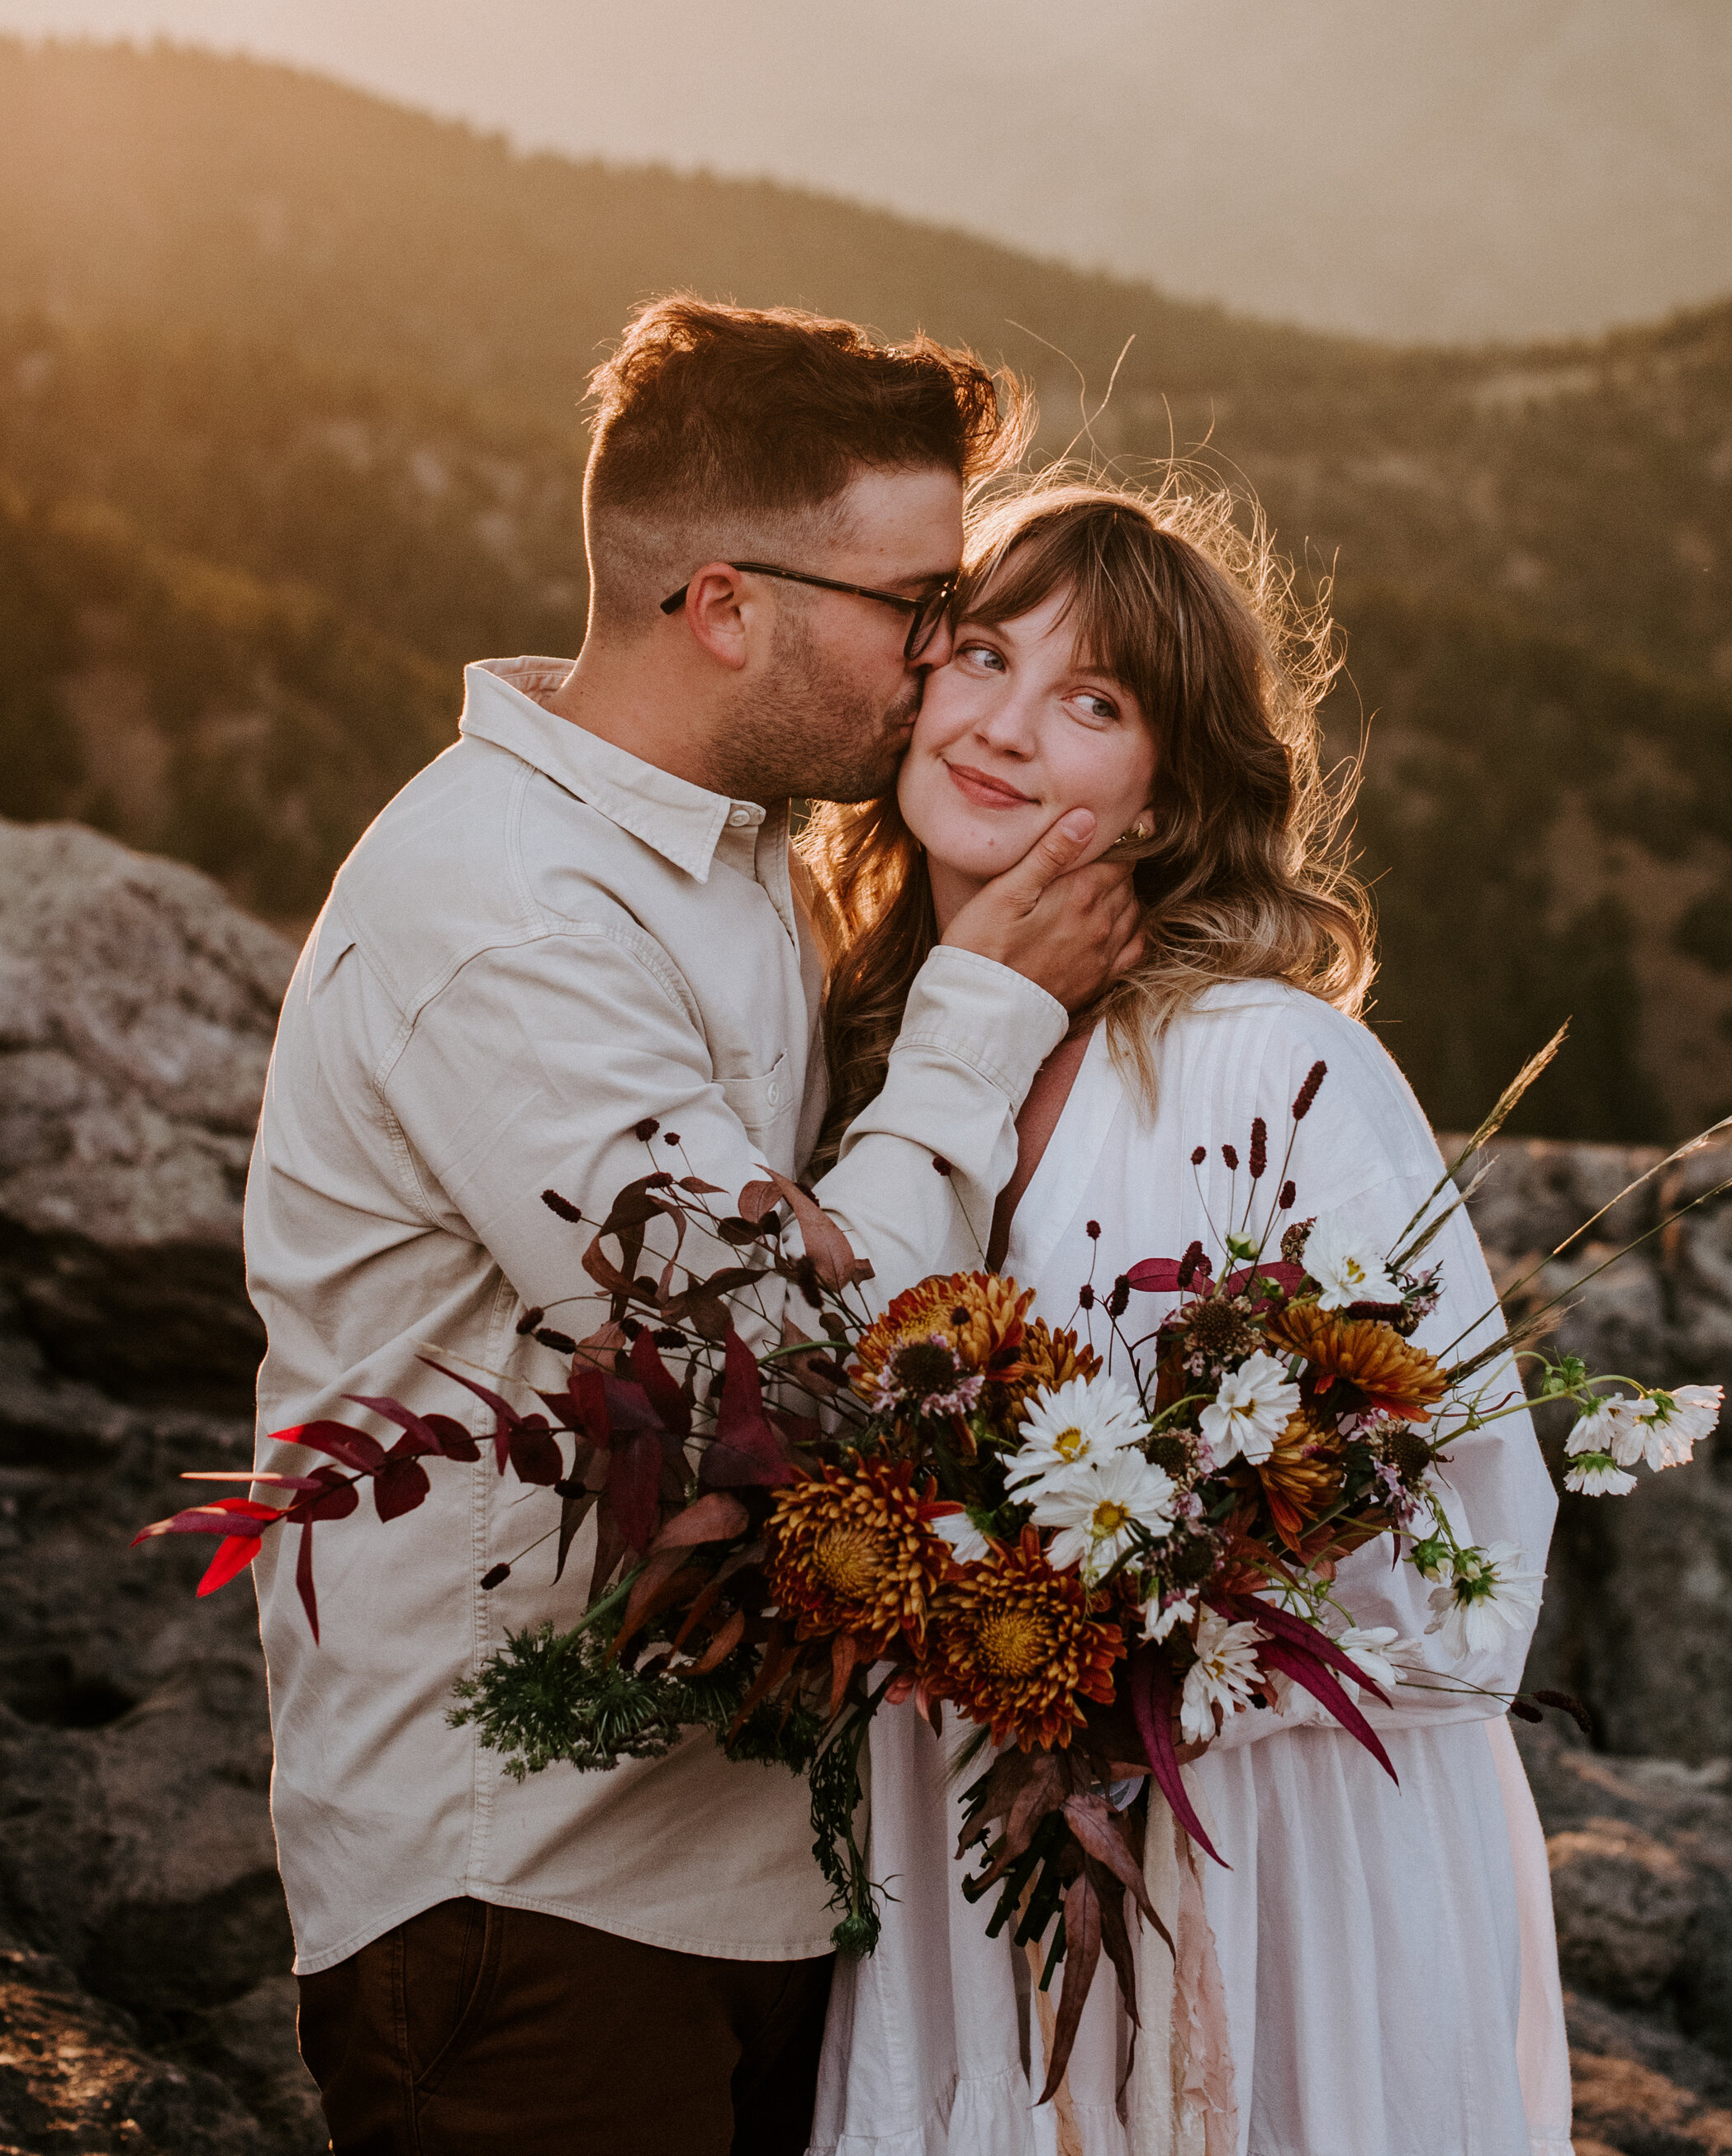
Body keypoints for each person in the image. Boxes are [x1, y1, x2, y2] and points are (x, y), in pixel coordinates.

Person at [245, 301, 1146, 2156]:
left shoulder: (741, 853)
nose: (941, 661)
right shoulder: (505, 914)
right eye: (914, 608)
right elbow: (772, 1371)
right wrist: (977, 1016)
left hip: (750, 1873)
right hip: (525, 1890)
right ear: (724, 604)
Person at [804, 481, 1571, 2156]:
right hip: (960, 1851)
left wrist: (1136, 1666)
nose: (1004, 727)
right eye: (983, 658)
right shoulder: (857, 1064)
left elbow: (1467, 1535)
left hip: (1257, 1858)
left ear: (1172, 787)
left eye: (1091, 703)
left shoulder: (1262, 1067)